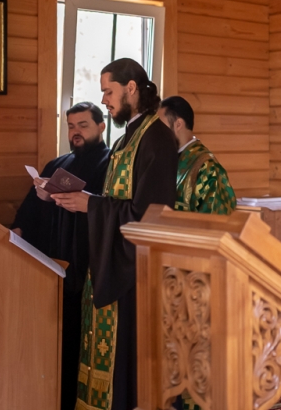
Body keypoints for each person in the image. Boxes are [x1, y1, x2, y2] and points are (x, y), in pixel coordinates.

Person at [51, 59, 178, 410]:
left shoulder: (157, 139)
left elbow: (150, 215)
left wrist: (90, 206)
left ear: (131, 89)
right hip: (108, 265)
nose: (105, 99)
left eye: (109, 91)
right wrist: (82, 202)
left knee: (126, 376)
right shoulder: (128, 138)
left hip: (132, 275)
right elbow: (114, 200)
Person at [11, 102, 110, 410]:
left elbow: (106, 211)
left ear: (101, 127)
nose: (75, 132)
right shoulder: (57, 163)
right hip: (48, 269)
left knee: (74, 343)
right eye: (71, 126)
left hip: (84, 270)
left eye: (83, 125)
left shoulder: (109, 165)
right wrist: (20, 227)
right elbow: (28, 214)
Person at [158, 96, 236, 215]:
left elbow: (214, 224)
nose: (157, 134)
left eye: (160, 127)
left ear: (178, 124)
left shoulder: (208, 167)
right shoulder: (163, 160)